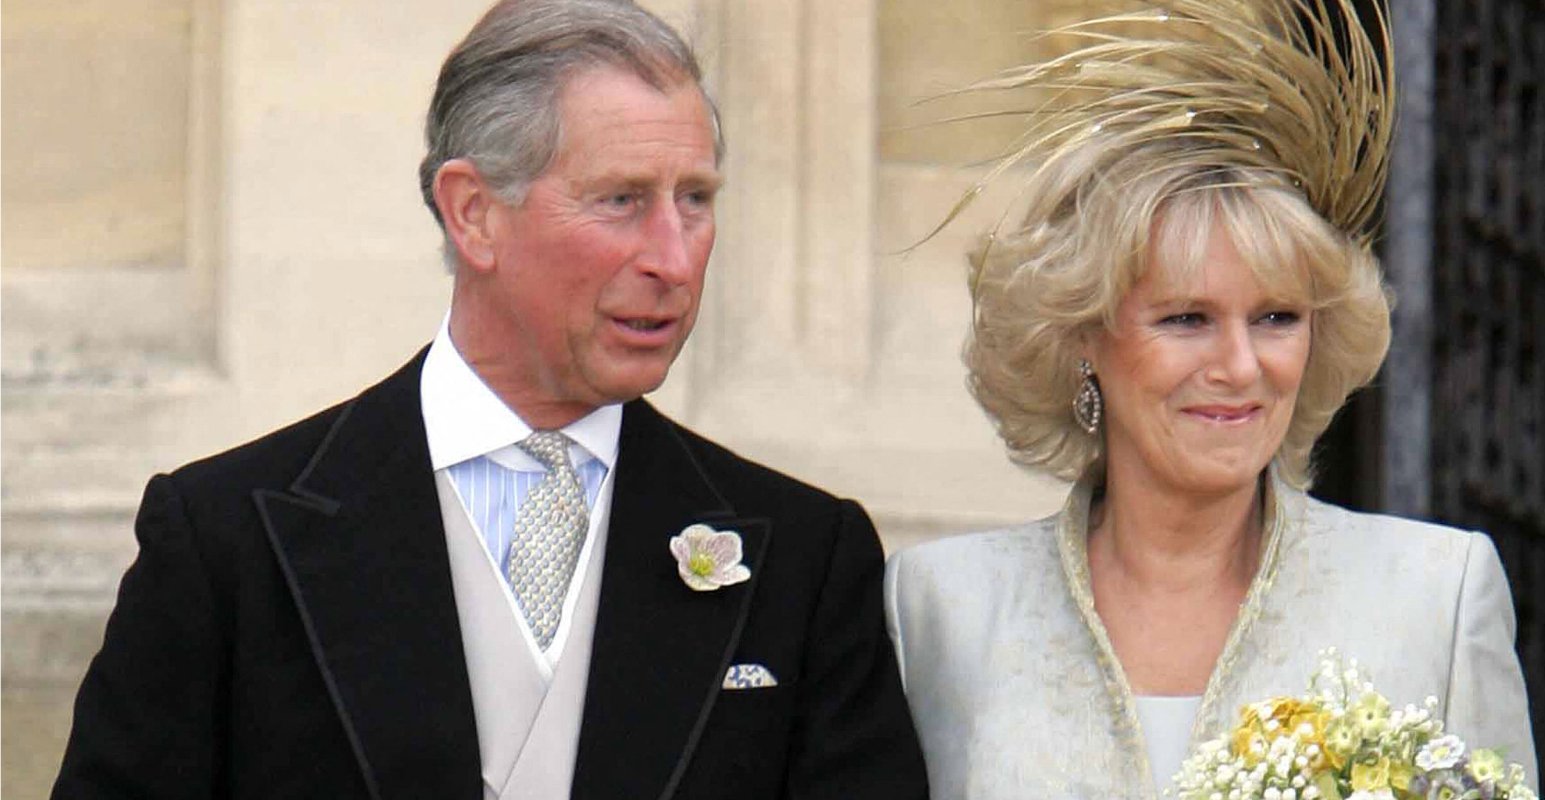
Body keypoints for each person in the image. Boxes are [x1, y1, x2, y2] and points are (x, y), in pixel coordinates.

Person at [51, 2, 928, 798]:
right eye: (622, 200)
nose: (675, 256)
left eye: (694, 200)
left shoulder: (807, 560)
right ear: (472, 213)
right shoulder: (224, 540)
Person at [884, 1, 1537, 798]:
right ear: (1083, 337)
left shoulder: (1436, 594)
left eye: (1275, 318)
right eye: (1186, 318)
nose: (1239, 364)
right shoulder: (936, 609)